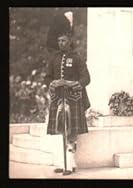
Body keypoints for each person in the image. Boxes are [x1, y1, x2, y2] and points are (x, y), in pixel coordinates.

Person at [44, 11, 91, 175]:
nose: (60, 43)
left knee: (71, 130)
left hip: (73, 99)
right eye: (59, 41)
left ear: (69, 41)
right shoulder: (54, 58)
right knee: (59, 129)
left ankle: (70, 165)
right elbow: (47, 78)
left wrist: (70, 83)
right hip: (58, 99)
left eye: (63, 40)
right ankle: (60, 162)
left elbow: (86, 78)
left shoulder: (77, 58)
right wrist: (53, 83)